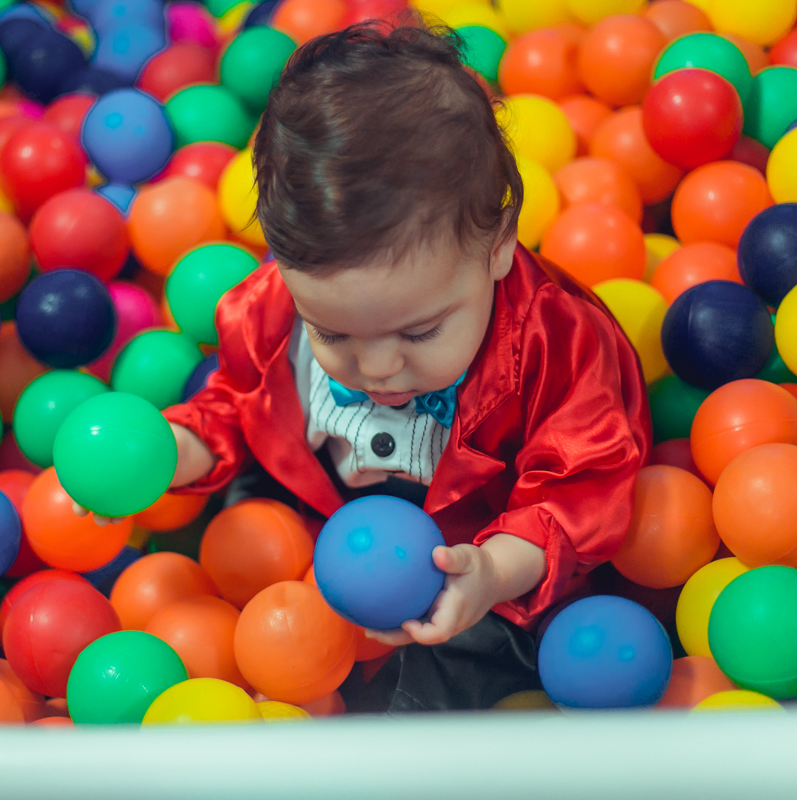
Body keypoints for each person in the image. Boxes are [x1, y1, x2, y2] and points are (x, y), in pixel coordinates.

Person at [169, 20, 647, 711]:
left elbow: (581, 488)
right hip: (315, 508)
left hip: (475, 545)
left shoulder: (558, 343)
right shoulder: (266, 311)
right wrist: (177, 450)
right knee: (228, 548)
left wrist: (491, 572)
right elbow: (238, 400)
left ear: (497, 245)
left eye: (420, 332)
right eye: (332, 332)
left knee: (472, 657)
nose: (377, 366)